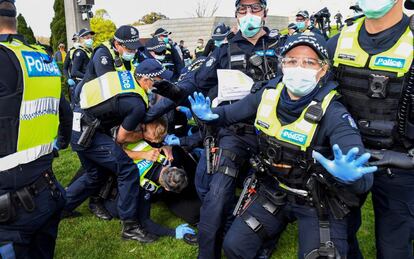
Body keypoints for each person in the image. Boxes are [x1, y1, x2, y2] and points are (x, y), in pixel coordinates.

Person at [188, 32, 376, 259]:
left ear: (323, 69)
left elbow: (364, 178)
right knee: (235, 246)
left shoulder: (334, 113)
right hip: (274, 190)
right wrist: (211, 114)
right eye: (292, 61)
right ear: (282, 65)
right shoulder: (268, 94)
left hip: (318, 200)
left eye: (309, 62)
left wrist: (352, 177)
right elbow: (230, 113)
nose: (299, 68)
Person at [146, 0, 281, 258]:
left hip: (274, 133)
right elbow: (195, 80)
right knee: (217, 195)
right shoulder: (225, 49)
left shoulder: (281, 45)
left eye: (255, 9)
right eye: (243, 10)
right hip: (234, 131)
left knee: (274, 196)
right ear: (236, 15)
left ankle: (259, 244)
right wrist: (173, 92)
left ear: (265, 12)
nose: (249, 15)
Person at [327, 0, 414, 258]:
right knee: (336, 240)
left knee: (394, 249)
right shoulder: (337, 42)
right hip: (347, 157)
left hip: (401, 164)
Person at [65, 59, 172, 243]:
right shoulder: (137, 104)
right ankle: (130, 226)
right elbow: (120, 139)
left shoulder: (126, 76)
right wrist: (144, 139)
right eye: (159, 80)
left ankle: (61, 209)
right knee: (128, 170)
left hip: (79, 124)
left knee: (94, 175)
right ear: (146, 79)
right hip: (88, 133)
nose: (160, 84)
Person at [0, 0, 72, 258]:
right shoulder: (38, 55)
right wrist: (57, 143)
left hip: (11, 212)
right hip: (45, 188)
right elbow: (64, 111)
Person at [100, 118, 196, 241]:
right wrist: (173, 232)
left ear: (174, 167)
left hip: (113, 148)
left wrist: (166, 146)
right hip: (110, 185)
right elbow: (145, 222)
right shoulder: (144, 189)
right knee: (116, 211)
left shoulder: (160, 153)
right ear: (166, 188)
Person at [62, 33, 79, 101]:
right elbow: (65, 68)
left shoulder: (88, 51)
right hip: (74, 82)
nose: (75, 41)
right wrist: (68, 78)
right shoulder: (70, 52)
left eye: (76, 39)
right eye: (74, 40)